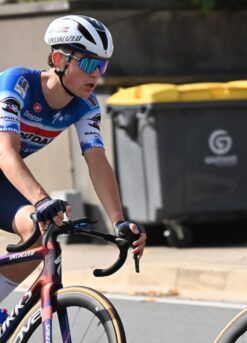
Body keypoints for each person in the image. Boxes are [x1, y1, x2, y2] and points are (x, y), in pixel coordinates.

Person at [0, 15, 146, 324]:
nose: (98, 74)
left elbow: (97, 160)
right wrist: (41, 199)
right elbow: (6, 152)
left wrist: (119, 221)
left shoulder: (85, 104)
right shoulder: (17, 83)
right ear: (58, 59)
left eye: (103, 65)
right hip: (4, 162)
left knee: (39, 233)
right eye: (90, 64)